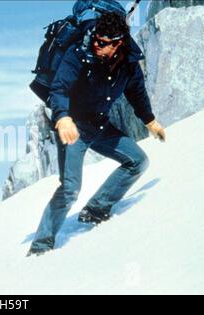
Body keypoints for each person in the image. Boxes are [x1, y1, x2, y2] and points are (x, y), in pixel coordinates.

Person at [28, 12, 166, 256]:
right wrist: (63, 117)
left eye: (103, 42)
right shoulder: (79, 54)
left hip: (100, 126)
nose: (97, 44)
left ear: (118, 43)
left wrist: (150, 121)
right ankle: (40, 246)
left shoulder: (129, 64)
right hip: (73, 128)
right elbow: (59, 88)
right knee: (70, 188)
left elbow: (137, 93)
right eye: (96, 39)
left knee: (137, 161)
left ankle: (96, 210)